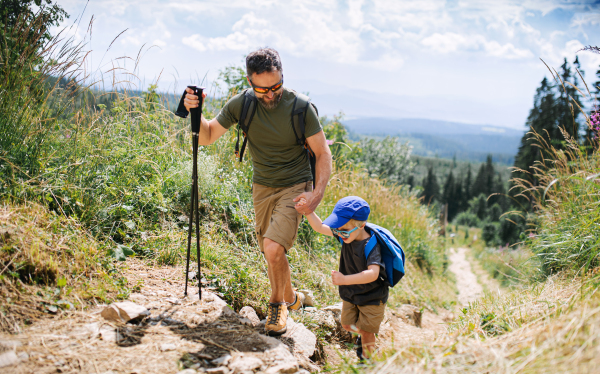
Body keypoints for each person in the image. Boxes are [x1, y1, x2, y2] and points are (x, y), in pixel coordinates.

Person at [183, 47, 332, 336]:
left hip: (296, 184)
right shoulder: (243, 104)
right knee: (271, 252)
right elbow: (208, 136)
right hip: (262, 187)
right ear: (250, 81)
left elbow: (322, 153)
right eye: (263, 89)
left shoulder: (301, 107)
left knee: (273, 248)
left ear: (282, 77)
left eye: (276, 86)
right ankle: (294, 299)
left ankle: (278, 306)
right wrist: (196, 111)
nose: (271, 94)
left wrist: (317, 194)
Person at [296, 196, 388, 360]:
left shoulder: (371, 245)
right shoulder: (345, 233)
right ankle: (368, 338)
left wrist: (345, 280)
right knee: (346, 325)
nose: (339, 233)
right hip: (352, 294)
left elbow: (373, 274)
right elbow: (319, 226)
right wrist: (308, 211)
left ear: (361, 225)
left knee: (367, 333)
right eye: (337, 229)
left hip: (372, 296)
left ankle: (366, 364)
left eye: (343, 230)